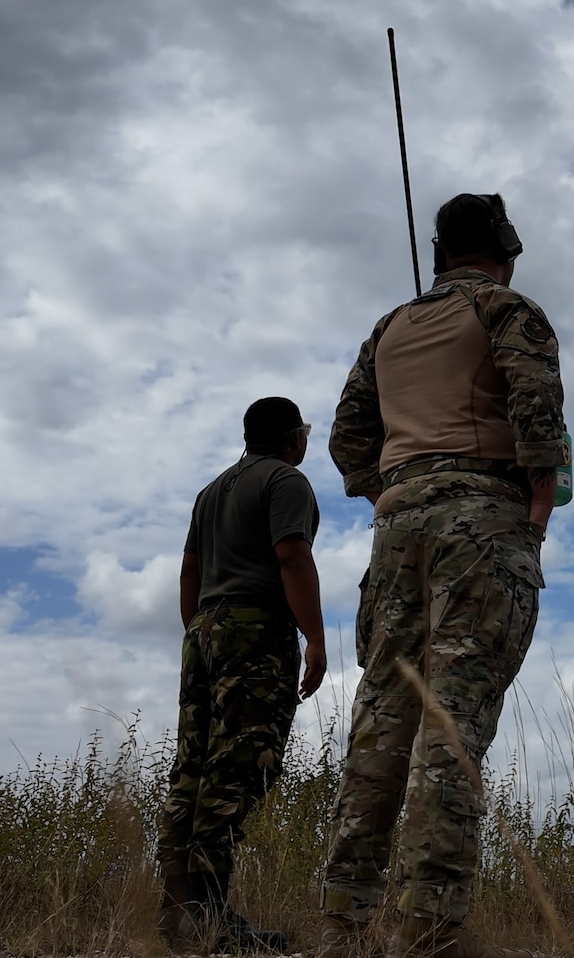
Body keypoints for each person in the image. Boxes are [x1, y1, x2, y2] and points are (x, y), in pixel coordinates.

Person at [320, 193, 566, 958]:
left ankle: (343, 924)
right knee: (451, 722)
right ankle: (426, 931)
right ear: (504, 244)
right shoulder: (508, 309)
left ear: (438, 252)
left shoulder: (388, 327)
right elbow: (538, 410)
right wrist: (535, 512)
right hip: (482, 521)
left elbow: (346, 434)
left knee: (382, 720)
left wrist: (388, 489)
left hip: (397, 529)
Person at [158, 396, 329, 954]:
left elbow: (189, 571)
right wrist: (316, 640)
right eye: (303, 432)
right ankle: (206, 914)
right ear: (291, 437)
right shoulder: (286, 482)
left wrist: (199, 633)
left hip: (204, 630)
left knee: (193, 769)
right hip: (255, 632)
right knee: (238, 769)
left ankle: (176, 911)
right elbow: (292, 558)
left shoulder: (212, 492)